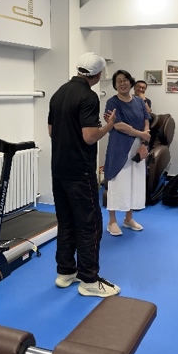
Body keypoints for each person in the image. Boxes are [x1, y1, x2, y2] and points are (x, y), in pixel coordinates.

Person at [48, 52, 120, 298]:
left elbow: (51, 131)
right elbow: (89, 137)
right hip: (80, 172)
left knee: (66, 222)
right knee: (90, 225)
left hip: (59, 170)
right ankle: (89, 280)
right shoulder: (88, 96)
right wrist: (109, 125)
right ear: (98, 75)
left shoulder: (59, 93)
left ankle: (65, 272)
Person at [104, 70, 152, 237]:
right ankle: (112, 221)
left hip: (138, 148)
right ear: (115, 85)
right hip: (119, 148)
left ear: (131, 82)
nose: (122, 83)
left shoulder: (139, 101)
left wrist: (144, 144)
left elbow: (146, 121)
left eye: (125, 80)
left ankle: (128, 218)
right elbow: (118, 125)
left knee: (134, 182)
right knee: (117, 182)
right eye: (118, 81)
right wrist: (141, 134)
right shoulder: (112, 102)